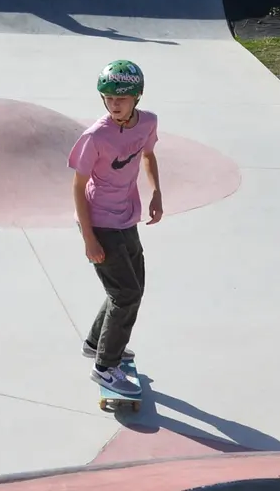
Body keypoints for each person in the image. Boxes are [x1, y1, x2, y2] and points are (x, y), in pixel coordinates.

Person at [71, 59, 164, 399]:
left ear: (137, 97)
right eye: (108, 98)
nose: (114, 105)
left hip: (127, 216)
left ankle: (97, 343)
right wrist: (88, 237)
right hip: (100, 222)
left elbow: (149, 155)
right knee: (125, 294)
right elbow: (77, 187)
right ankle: (105, 368)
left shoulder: (148, 123)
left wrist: (156, 192)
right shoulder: (95, 136)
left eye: (121, 99)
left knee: (132, 288)